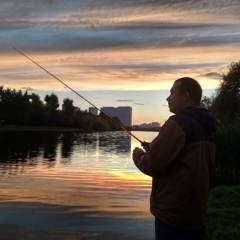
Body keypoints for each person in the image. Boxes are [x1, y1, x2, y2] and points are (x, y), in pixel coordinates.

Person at [132, 77, 217, 240]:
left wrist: (138, 155)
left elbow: (152, 164)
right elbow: (190, 158)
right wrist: (155, 148)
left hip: (173, 214)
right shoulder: (207, 127)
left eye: (172, 93)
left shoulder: (179, 122)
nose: (167, 98)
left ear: (185, 95)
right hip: (195, 215)